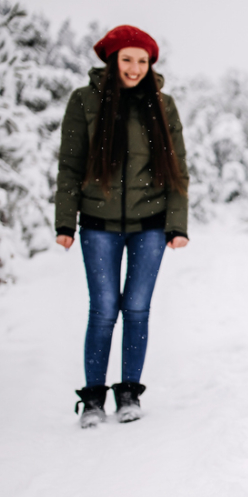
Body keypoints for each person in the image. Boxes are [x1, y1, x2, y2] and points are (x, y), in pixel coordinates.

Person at [55, 25, 189, 428]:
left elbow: (178, 169)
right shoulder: (84, 101)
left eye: (142, 61)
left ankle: (128, 392)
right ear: (112, 60)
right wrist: (66, 221)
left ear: (150, 65)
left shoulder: (163, 106)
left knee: (137, 308)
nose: (134, 68)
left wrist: (176, 225)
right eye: (127, 59)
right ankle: (93, 399)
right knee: (103, 309)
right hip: (97, 224)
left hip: (149, 224)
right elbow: (70, 165)